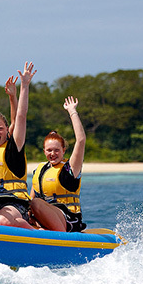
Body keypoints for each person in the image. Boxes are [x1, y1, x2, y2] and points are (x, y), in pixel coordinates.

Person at [0, 61, 43, 229]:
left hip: (14, 203)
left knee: (3, 221)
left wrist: (25, 86)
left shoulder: (14, 148)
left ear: (8, 129)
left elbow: (20, 116)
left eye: (0, 128)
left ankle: (38, 237)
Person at [29, 96, 87, 232]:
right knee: (29, 204)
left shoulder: (70, 168)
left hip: (69, 218)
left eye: (57, 150)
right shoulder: (40, 170)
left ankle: (61, 239)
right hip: (45, 216)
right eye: (49, 150)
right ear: (44, 151)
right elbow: (31, 199)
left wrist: (72, 111)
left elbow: (81, 140)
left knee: (36, 203)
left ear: (63, 151)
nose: (53, 154)